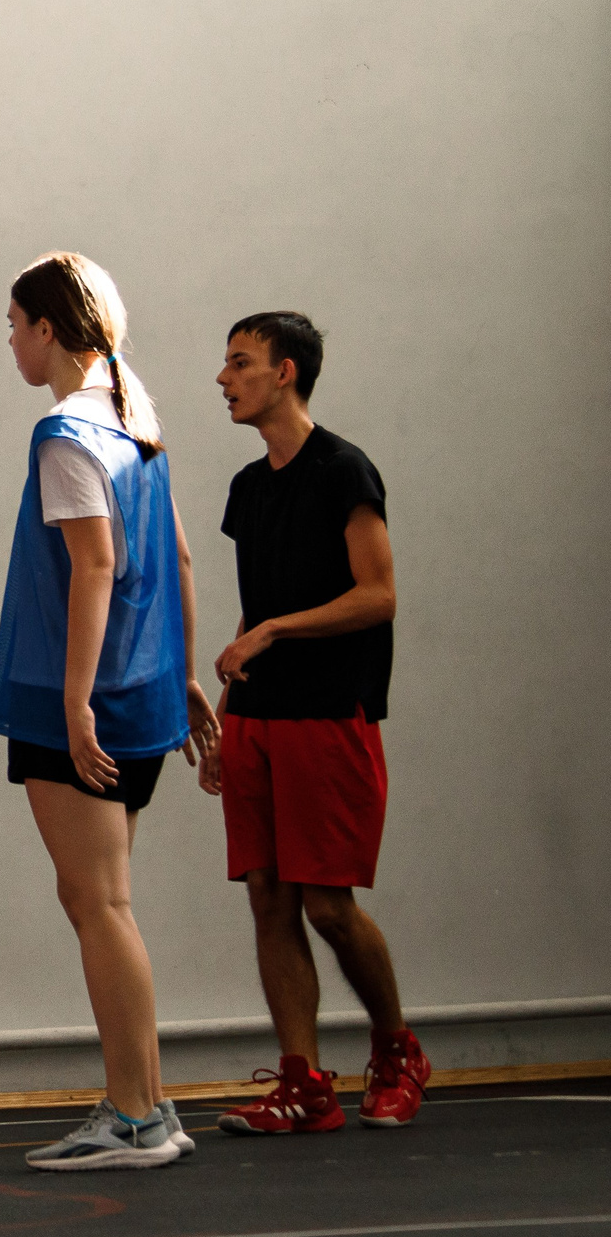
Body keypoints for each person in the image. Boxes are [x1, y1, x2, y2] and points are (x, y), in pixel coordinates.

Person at [0, 252, 218, 1171]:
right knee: (100, 899)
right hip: (146, 690)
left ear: (49, 328)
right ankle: (146, 1102)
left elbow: (95, 568)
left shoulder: (66, 433)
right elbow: (181, 561)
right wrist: (186, 676)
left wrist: (78, 701)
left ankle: (135, 1116)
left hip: (75, 698)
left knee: (100, 903)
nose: (8, 340)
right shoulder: (137, 416)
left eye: (13, 323)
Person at [204, 312, 426, 1134]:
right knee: (267, 898)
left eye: (239, 362)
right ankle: (304, 1084)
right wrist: (228, 719)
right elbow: (253, 609)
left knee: (329, 906)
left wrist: (274, 632)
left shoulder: (343, 470)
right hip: (259, 717)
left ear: (286, 372)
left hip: (331, 713)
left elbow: (379, 595)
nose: (224, 379)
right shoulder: (248, 487)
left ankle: (396, 1047)